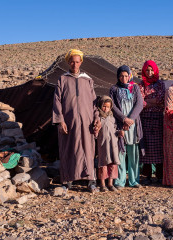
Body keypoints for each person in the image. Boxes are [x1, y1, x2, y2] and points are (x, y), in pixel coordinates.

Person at [52, 49, 101, 193]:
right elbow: (57, 102)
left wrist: (96, 119)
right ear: (68, 62)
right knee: (69, 149)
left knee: (88, 150)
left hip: (87, 122)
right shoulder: (63, 79)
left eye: (77, 61)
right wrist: (60, 121)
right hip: (69, 122)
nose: (75, 64)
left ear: (81, 62)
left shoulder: (88, 80)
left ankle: (91, 181)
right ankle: (67, 181)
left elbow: (94, 103)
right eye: (72, 61)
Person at [109, 65, 144, 189]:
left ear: (130, 76)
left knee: (134, 153)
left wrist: (131, 119)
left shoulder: (135, 88)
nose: (124, 78)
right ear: (118, 77)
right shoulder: (114, 89)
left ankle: (134, 180)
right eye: (121, 76)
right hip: (121, 124)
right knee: (121, 153)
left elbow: (139, 104)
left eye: (126, 76)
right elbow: (112, 106)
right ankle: (120, 181)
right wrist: (124, 119)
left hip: (133, 126)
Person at [138, 60, 165, 184]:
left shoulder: (160, 84)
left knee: (159, 148)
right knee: (146, 148)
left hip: (158, 119)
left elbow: (161, 99)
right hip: (145, 119)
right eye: (147, 70)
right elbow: (140, 102)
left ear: (155, 70)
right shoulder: (140, 85)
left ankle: (160, 175)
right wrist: (152, 101)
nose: (149, 73)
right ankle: (147, 175)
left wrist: (148, 102)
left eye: (151, 70)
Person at [96, 96, 121, 192]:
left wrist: (119, 132)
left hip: (113, 145)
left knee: (113, 163)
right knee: (103, 163)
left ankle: (110, 184)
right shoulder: (98, 117)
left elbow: (115, 129)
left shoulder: (112, 117)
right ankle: (102, 184)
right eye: (104, 106)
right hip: (103, 145)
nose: (105, 109)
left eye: (108, 107)